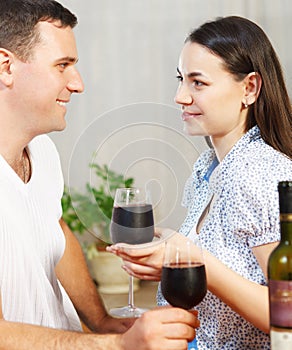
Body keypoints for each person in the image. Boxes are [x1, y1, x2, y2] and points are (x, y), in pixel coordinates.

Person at [0, 0, 200, 349]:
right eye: (62, 65)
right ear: (5, 66)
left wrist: (101, 321)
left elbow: (55, 229)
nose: (77, 84)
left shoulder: (43, 151)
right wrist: (118, 346)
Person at [108, 16, 292, 349]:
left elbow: (287, 315)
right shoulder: (209, 169)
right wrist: (172, 258)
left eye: (198, 83)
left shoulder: (263, 174)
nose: (180, 96)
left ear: (249, 88)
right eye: (181, 79)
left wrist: (193, 258)